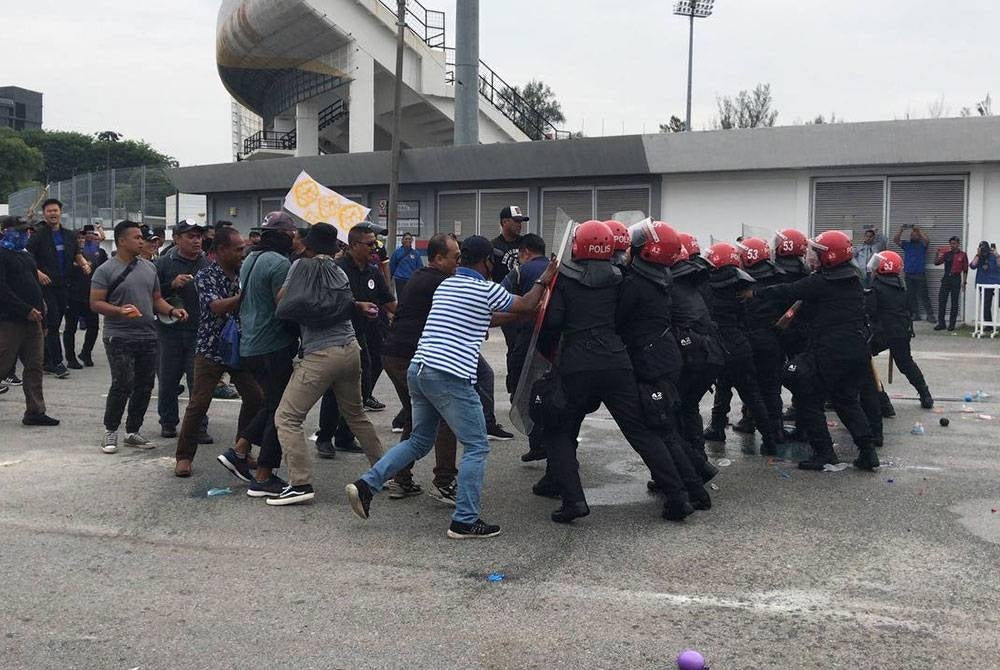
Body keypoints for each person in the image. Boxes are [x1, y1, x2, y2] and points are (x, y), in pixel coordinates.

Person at [345, 235, 556, 539]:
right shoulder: (485, 289)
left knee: (418, 441)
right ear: (487, 262)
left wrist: (526, 310)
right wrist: (544, 280)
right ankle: (465, 520)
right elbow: (525, 302)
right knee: (477, 445)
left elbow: (491, 315)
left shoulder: (448, 285)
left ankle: (366, 484)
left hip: (420, 369)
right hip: (449, 375)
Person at [537, 220, 697, 523]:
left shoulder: (564, 279)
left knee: (559, 431)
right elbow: (625, 318)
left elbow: (552, 323)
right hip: (617, 363)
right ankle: (678, 496)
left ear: (577, 246)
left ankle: (573, 501)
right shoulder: (621, 278)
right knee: (641, 431)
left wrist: (552, 354)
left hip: (577, 365)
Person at [266, 223, 387, 505]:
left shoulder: (301, 267)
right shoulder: (338, 271)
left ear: (308, 245)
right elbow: (345, 303)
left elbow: (283, 301)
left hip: (320, 354)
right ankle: (384, 471)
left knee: (287, 417)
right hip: (350, 348)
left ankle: (300, 483)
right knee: (356, 414)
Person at [755, 230, 879, 472]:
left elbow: (787, 291)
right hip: (856, 349)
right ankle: (867, 451)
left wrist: (755, 292)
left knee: (808, 398)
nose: (812, 256)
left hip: (830, 351)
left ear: (830, 257)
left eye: (818, 253)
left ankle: (824, 452)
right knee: (846, 401)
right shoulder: (853, 279)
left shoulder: (820, 282)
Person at [616, 220, 711, 511]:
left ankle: (691, 491)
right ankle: (697, 483)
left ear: (646, 252)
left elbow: (617, 320)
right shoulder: (660, 278)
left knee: (661, 429)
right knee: (667, 427)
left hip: (650, 362)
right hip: (664, 356)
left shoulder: (636, 284)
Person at [217, 212, 299, 497]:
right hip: (272, 345)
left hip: (250, 343)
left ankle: (238, 451)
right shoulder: (279, 263)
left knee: (271, 404)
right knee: (281, 410)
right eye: (291, 234)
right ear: (282, 235)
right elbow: (283, 306)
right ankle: (264, 476)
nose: (294, 239)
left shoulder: (251, 258)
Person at [91, 221, 189, 453]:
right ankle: (110, 431)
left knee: (145, 386)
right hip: (119, 336)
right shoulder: (105, 270)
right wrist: (119, 311)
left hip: (148, 335)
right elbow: (95, 303)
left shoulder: (149, 268)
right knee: (122, 383)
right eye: (136, 237)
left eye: (141, 237)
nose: (141, 241)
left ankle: (133, 430)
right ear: (121, 241)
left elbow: (156, 299)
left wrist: (172, 311)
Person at [173, 227, 263, 477]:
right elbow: (216, 307)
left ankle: (241, 451)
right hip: (211, 347)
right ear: (221, 250)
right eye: (238, 249)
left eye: (243, 249)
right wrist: (245, 296)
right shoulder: (206, 275)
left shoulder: (244, 273)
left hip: (240, 346)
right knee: (199, 404)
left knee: (255, 398)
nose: (242, 253)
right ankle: (183, 456)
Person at [380, 234, 463, 503]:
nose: (459, 262)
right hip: (406, 357)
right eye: (455, 257)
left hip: (396, 354)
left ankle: (401, 478)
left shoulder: (421, 276)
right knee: (445, 416)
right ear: (438, 258)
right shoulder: (439, 282)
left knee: (416, 417)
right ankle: (444, 481)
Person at [701, 242, 780, 455]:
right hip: (740, 346)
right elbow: (745, 319)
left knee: (723, 387)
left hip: (718, 346)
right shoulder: (742, 286)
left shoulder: (706, 287)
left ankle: (717, 427)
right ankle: (770, 440)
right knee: (752, 394)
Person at [154, 219, 212, 442]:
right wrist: (171, 285)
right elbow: (151, 295)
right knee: (168, 380)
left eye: (199, 236)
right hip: (169, 332)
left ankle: (198, 426)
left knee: (198, 382)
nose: (196, 240)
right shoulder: (162, 264)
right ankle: (168, 422)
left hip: (199, 331)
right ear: (177, 239)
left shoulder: (208, 264)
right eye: (190, 236)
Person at [0, 215, 58, 426]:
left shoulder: (25, 254)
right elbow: (2, 290)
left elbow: (34, 286)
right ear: (5, 231)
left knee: (34, 366)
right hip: (9, 321)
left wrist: (42, 317)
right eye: (20, 231)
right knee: (3, 363)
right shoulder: (2, 254)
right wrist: (25, 310)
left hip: (34, 321)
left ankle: (35, 411)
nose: (25, 234)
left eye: (27, 231)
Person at [26, 198, 92, 378]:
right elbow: (28, 256)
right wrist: (38, 273)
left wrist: (84, 264)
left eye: (55, 210)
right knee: (53, 322)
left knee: (55, 321)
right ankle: (57, 363)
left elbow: (77, 254)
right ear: (44, 214)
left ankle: (46, 360)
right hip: (46, 286)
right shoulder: (38, 234)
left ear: (60, 212)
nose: (53, 214)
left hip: (64, 286)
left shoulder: (69, 235)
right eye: (49, 211)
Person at [335, 224, 396, 410]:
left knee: (377, 361)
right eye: (369, 244)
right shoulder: (338, 269)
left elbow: (389, 301)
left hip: (370, 327)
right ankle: (331, 427)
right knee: (340, 384)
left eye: (375, 243)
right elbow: (331, 302)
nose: (374, 248)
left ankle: (364, 396)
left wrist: (412, 314)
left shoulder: (373, 271)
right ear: (354, 245)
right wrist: (357, 306)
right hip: (343, 334)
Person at [500, 233, 550, 462]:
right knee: (551, 392)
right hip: (553, 342)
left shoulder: (520, 271)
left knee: (520, 390)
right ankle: (559, 444)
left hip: (525, 339)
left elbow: (500, 299)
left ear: (525, 252)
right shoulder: (558, 270)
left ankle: (536, 441)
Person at [865, 250, 934, 410]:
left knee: (862, 359)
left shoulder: (875, 287)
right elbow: (910, 309)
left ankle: (882, 400)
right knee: (906, 363)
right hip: (901, 332)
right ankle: (925, 394)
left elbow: (870, 311)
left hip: (880, 333)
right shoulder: (902, 286)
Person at [64, 227, 107, 368]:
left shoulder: (94, 253)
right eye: (78, 238)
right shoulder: (67, 255)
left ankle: (86, 352)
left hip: (89, 296)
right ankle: (70, 358)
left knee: (93, 327)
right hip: (72, 297)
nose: (81, 240)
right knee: (70, 328)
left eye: (83, 238)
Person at [894, 225, 933, 322]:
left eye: (915, 235)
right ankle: (916, 314)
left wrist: (919, 230)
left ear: (919, 236)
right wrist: (901, 230)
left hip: (920, 274)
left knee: (924, 295)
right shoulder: (907, 245)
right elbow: (896, 240)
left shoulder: (922, 245)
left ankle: (930, 315)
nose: (913, 236)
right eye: (911, 235)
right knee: (911, 296)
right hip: (909, 274)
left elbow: (927, 240)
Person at [934, 236, 969, 331]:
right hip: (946, 278)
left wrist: (964, 282)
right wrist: (937, 254)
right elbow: (936, 263)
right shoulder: (947, 254)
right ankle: (941, 323)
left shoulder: (963, 255)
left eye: (954, 243)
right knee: (942, 301)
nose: (952, 245)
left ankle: (952, 324)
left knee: (954, 302)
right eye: (951, 244)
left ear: (958, 244)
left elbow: (965, 270)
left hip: (956, 279)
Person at [491, 205, 527, 285]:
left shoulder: (526, 243)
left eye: (521, 222)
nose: (520, 225)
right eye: (516, 221)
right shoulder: (494, 246)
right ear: (504, 222)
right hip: (502, 290)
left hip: (523, 290)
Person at [970, 241, 1000, 325]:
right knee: (986, 305)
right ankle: (988, 325)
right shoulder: (979, 257)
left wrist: (997, 255)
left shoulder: (994, 255)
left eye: (985, 248)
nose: (984, 251)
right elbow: (972, 266)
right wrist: (978, 255)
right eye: (982, 248)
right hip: (984, 283)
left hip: (997, 282)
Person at [389, 232, 422, 300]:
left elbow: (419, 268)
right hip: (399, 280)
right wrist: (389, 279)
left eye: (409, 239)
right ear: (402, 240)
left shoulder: (416, 254)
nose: (408, 240)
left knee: (410, 299)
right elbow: (392, 266)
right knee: (401, 298)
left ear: (412, 240)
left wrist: (419, 280)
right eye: (406, 239)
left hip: (411, 280)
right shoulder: (397, 252)